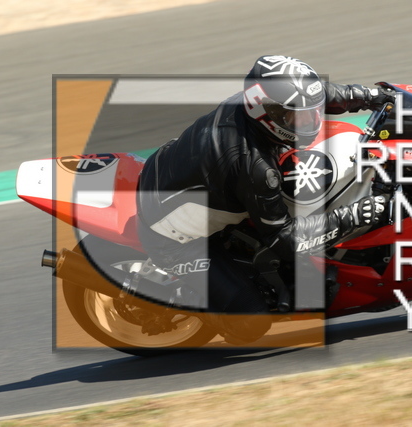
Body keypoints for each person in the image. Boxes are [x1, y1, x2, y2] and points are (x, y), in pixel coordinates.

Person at [136, 55, 395, 343]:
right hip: (173, 236)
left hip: (180, 173)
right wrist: (354, 216)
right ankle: (170, 296)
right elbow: (285, 240)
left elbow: (319, 94)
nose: (310, 120)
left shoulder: (257, 103)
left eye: (311, 112)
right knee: (249, 324)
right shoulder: (255, 166)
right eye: (296, 116)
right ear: (266, 112)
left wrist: (372, 97)